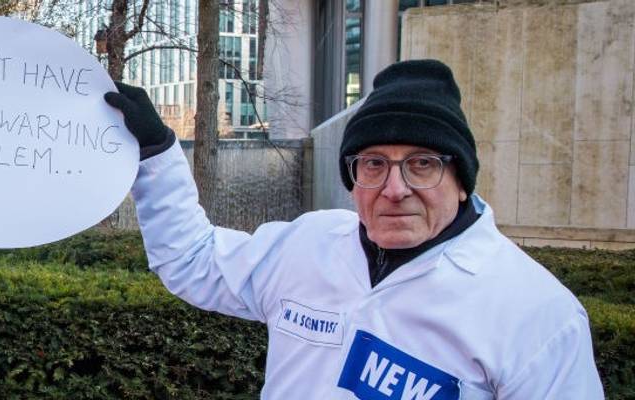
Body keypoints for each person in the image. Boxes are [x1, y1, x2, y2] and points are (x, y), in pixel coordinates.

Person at [104, 60, 603, 399]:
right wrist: (157, 153)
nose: (395, 189)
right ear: (352, 178)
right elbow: (193, 259)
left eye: (422, 164)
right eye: (373, 164)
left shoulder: (538, 315)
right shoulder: (308, 245)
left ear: (461, 180)